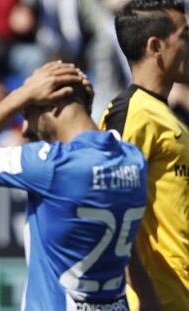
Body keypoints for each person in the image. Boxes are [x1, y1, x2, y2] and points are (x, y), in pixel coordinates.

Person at [0, 61, 148, 310]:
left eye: (28, 112)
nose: (24, 128)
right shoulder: (133, 159)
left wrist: (17, 96)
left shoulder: (52, 165)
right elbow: (134, 258)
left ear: (53, 106)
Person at [99, 1, 189, 310]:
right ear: (156, 46)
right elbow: (107, 212)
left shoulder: (169, 115)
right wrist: (145, 298)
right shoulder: (130, 113)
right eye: (185, 36)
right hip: (156, 301)